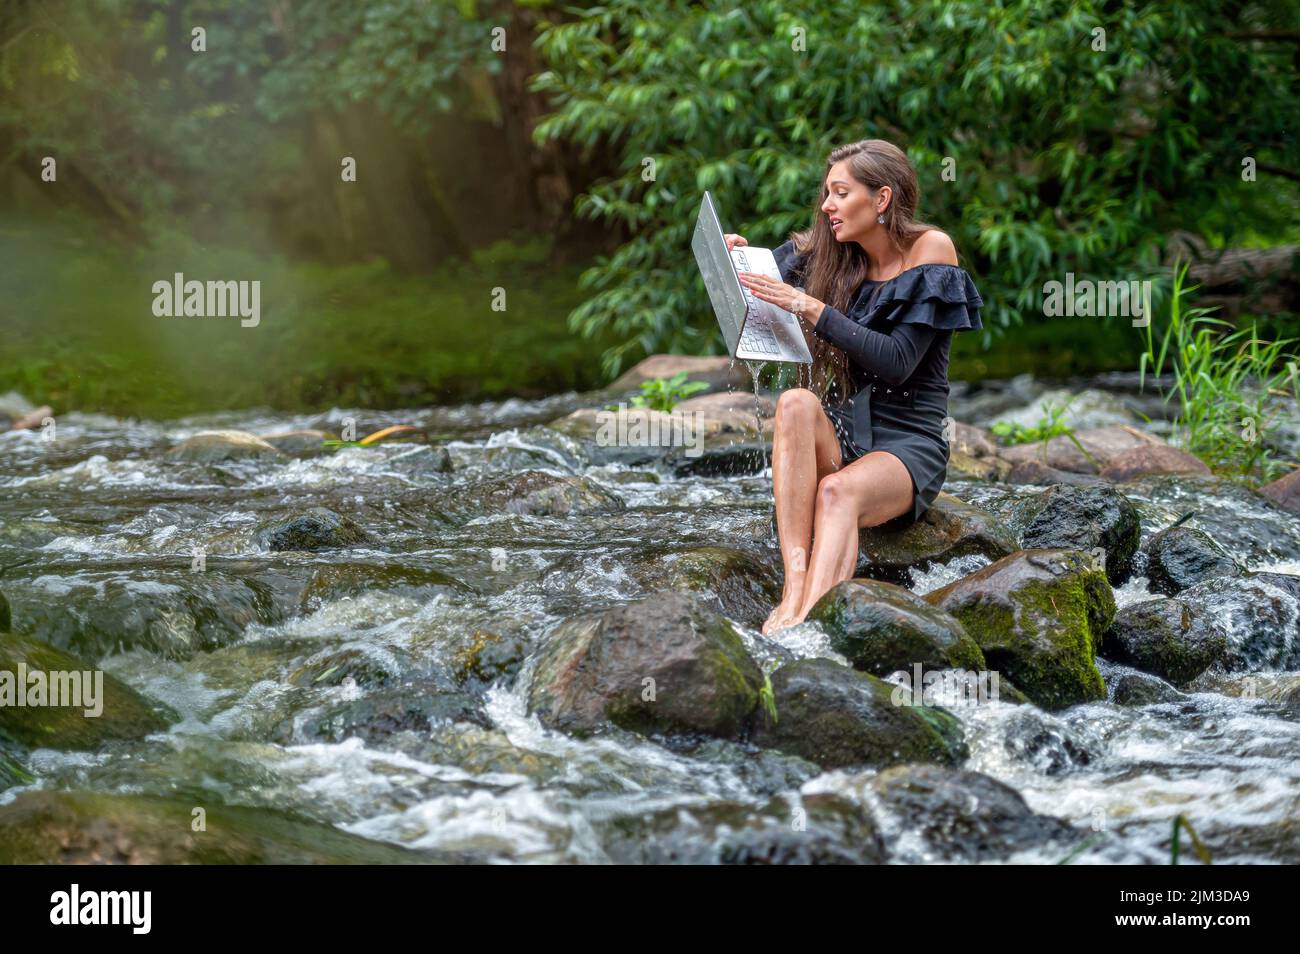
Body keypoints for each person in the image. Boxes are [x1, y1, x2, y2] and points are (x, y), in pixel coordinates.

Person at [728, 138, 984, 635]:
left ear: (882, 198)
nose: (827, 206)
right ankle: (794, 587)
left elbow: (898, 363)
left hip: (907, 442)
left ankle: (808, 629)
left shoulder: (931, 250)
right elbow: (758, 289)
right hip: (843, 432)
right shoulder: (830, 254)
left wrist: (810, 307)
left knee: (837, 493)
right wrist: (737, 262)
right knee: (797, 402)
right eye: (827, 193)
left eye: (840, 193)